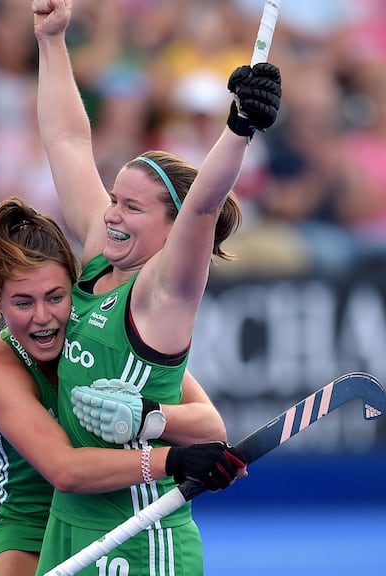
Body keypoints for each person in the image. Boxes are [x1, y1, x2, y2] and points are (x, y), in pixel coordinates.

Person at [32, 0, 281, 573]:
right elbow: (68, 142)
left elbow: (201, 208)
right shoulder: (99, 262)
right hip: (68, 522)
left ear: (169, 229)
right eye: (114, 200)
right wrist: (52, 42)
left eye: (132, 207)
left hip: (139, 537)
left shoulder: (160, 293)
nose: (112, 215)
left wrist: (239, 129)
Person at [0, 197, 247, 576]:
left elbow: (210, 427)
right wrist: (175, 461)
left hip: (109, 514)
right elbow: (65, 471)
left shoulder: (98, 334)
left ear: (75, 289)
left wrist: (149, 416)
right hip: (28, 528)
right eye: (22, 302)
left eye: (55, 297)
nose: (42, 317)